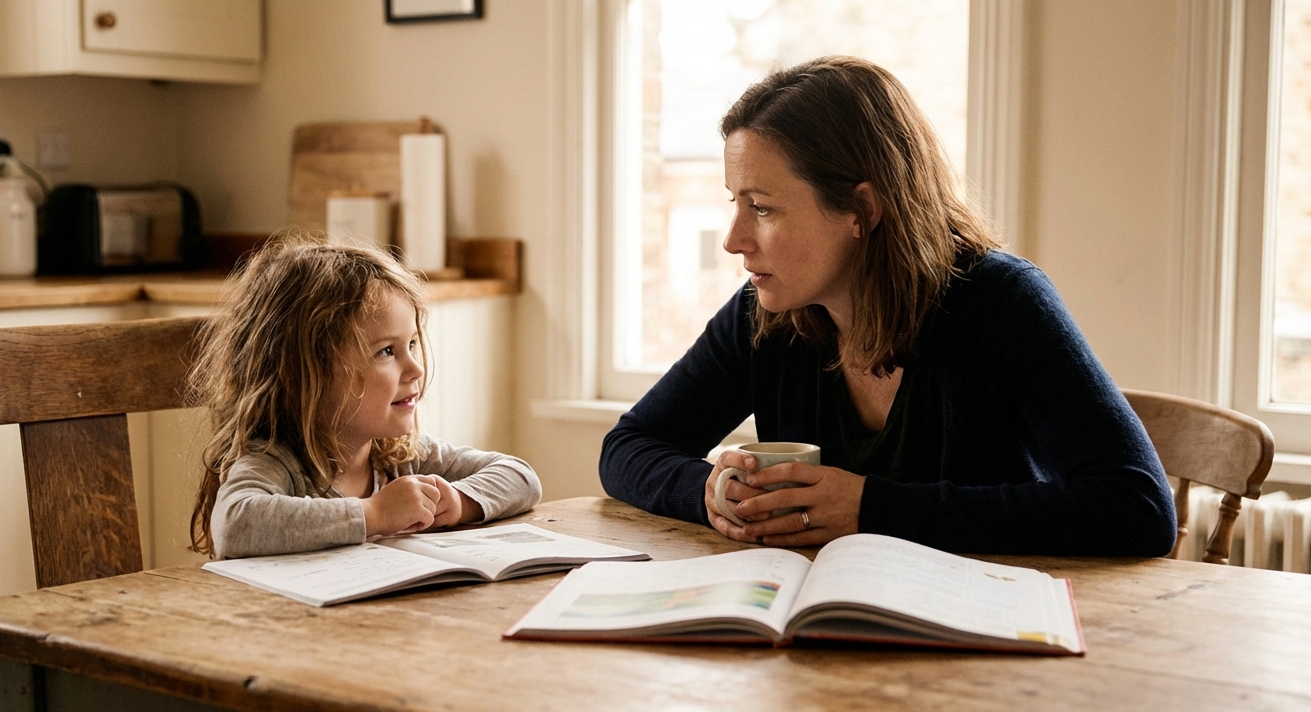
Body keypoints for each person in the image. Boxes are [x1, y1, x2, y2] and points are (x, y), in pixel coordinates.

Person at [599, 56, 1176, 556]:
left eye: (764, 208)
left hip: (992, 646)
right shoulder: (765, 314)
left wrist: (871, 509)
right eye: (735, 203)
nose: (734, 239)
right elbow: (627, 447)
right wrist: (705, 492)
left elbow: (1139, 507)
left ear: (861, 211)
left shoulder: (1001, 301)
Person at [188, 236, 542, 559]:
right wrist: (375, 513)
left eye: (413, 345)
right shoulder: (277, 463)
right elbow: (235, 525)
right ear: (302, 375)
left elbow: (520, 476)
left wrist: (459, 501)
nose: (415, 369)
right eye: (386, 351)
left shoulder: (402, 458)